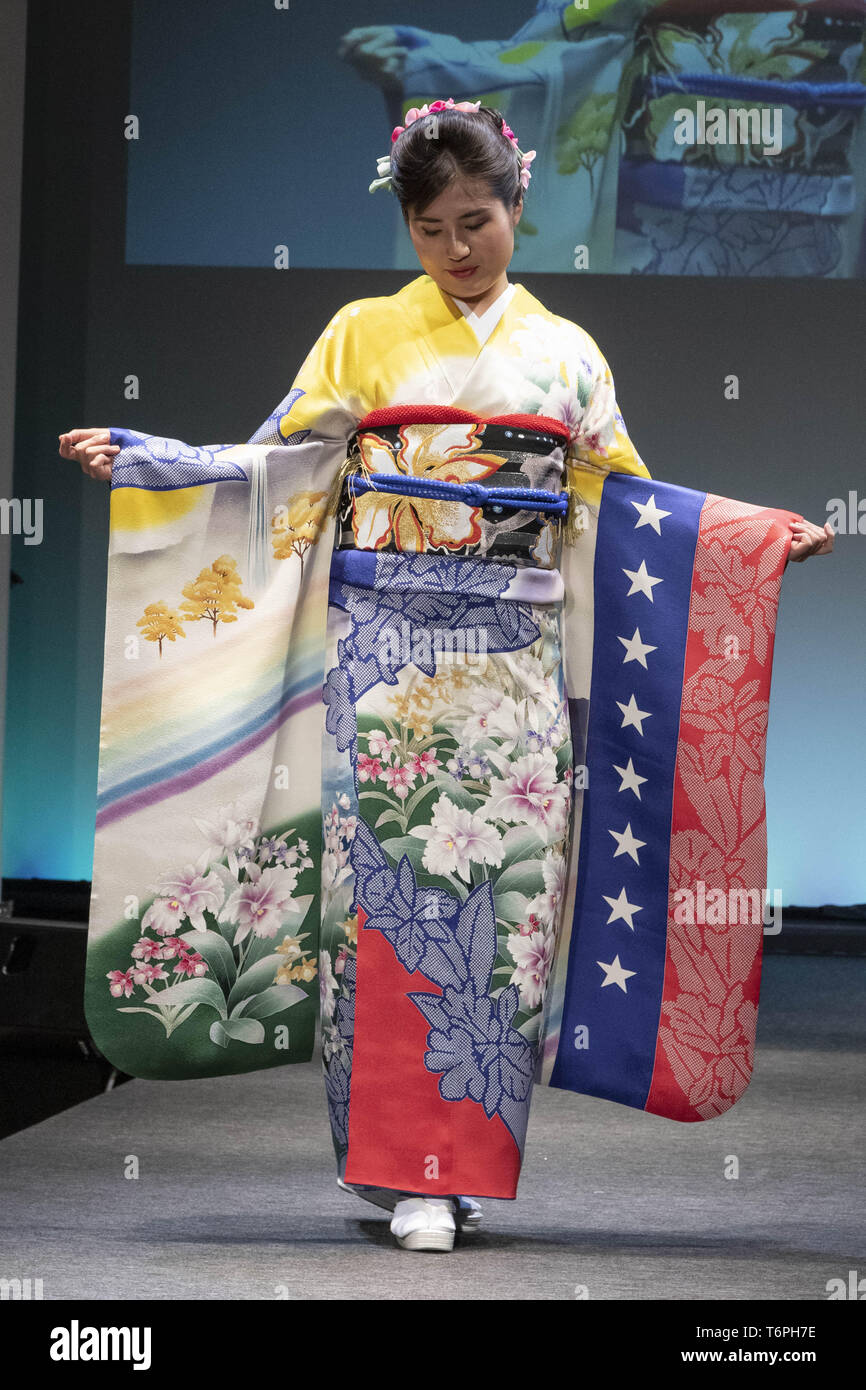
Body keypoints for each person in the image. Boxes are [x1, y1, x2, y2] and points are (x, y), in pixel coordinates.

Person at [60, 100, 833, 1254]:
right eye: (430, 230)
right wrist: (158, 460)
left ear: (515, 204)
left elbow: (625, 506)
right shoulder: (363, 332)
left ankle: (459, 1166)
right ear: (407, 230)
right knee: (388, 906)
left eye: (475, 221)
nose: (457, 249)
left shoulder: (564, 353)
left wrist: (750, 533)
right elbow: (282, 455)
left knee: (502, 908)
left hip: (510, 673)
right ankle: (399, 1171)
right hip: (385, 666)